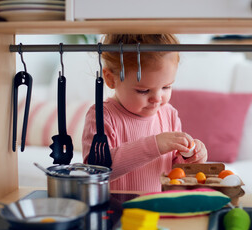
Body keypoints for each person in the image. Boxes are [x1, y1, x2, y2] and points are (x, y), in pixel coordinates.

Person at [82, 34, 207, 192]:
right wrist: (155, 145)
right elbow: (95, 171)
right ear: (110, 79)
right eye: (144, 90)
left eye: (166, 87)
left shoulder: (169, 114)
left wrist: (190, 157)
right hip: (116, 211)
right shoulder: (101, 115)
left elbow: (175, 168)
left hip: (158, 208)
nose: (157, 98)